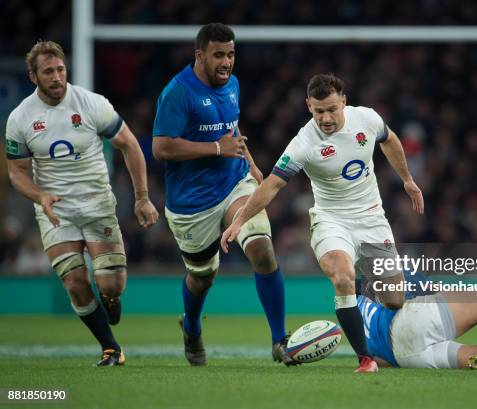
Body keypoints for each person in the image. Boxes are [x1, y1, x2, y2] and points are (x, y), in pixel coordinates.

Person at [221, 73, 425, 372]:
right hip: (331, 221)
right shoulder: (304, 143)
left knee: (394, 300)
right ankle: (365, 358)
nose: (326, 118)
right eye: (319, 111)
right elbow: (272, 186)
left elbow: (390, 140)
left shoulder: (367, 119)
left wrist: (407, 180)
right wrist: (239, 221)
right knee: (343, 277)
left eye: (332, 109)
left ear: (344, 101)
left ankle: (362, 312)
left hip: (372, 220)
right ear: (308, 106)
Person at [5, 41, 159, 366]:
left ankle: (110, 297)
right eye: (48, 72)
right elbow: (16, 172)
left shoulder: (91, 104)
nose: (57, 77)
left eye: (60, 69)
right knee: (75, 283)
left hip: (97, 203)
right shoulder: (20, 118)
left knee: (111, 284)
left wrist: (142, 198)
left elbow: (129, 145)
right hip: (55, 210)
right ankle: (110, 348)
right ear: (33, 76)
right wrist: (39, 195)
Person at [152, 23, 291, 366]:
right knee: (202, 277)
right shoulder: (177, 93)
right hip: (192, 204)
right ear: (199, 55)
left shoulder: (233, 84)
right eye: (219, 55)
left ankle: (279, 340)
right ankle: (193, 326)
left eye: (230, 54)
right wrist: (216, 148)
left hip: (234, 184)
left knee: (261, 248)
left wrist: (252, 164)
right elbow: (161, 147)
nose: (226, 62)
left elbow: (232, 128)